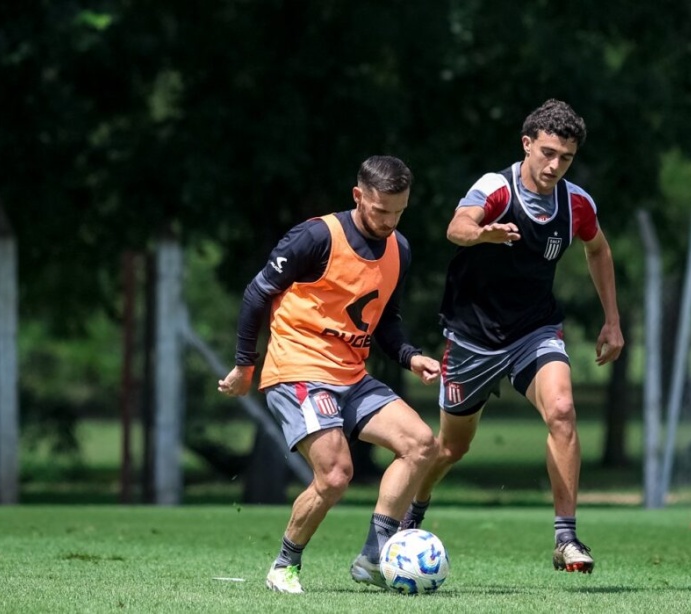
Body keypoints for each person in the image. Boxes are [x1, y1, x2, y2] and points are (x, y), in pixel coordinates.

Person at [400, 99, 624, 575]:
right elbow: (457, 227)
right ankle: (413, 512)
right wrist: (484, 233)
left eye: (565, 157)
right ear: (527, 144)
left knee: (562, 410)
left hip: (535, 331)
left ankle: (566, 538)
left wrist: (612, 320)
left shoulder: (577, 203)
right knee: (451, 447)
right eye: (546, 152)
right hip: (473, 337)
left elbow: (599, 251)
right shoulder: (495, 188)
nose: (554, 165)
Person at [218, 155, 440, 594]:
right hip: (298, 367)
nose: (390, 221)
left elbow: (386, 320)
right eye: (380, 211)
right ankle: (285, 564)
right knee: (336, 474)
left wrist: (411, 357)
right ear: (358, 196)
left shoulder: (400, 249)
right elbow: (256, 294)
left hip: (351, 376)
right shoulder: (316, 237)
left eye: (399, 211)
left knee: (421, 445)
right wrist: (246, 364)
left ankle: (374, 557)